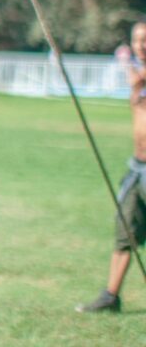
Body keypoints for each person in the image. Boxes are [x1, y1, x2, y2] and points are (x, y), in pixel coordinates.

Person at [76, 19, 146, 313]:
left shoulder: (138, 75)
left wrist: (125, 62)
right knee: (125, 230)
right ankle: (111, 296)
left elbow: (134, 81)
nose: (141, 45)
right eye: (137, 40)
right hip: (137, 167)